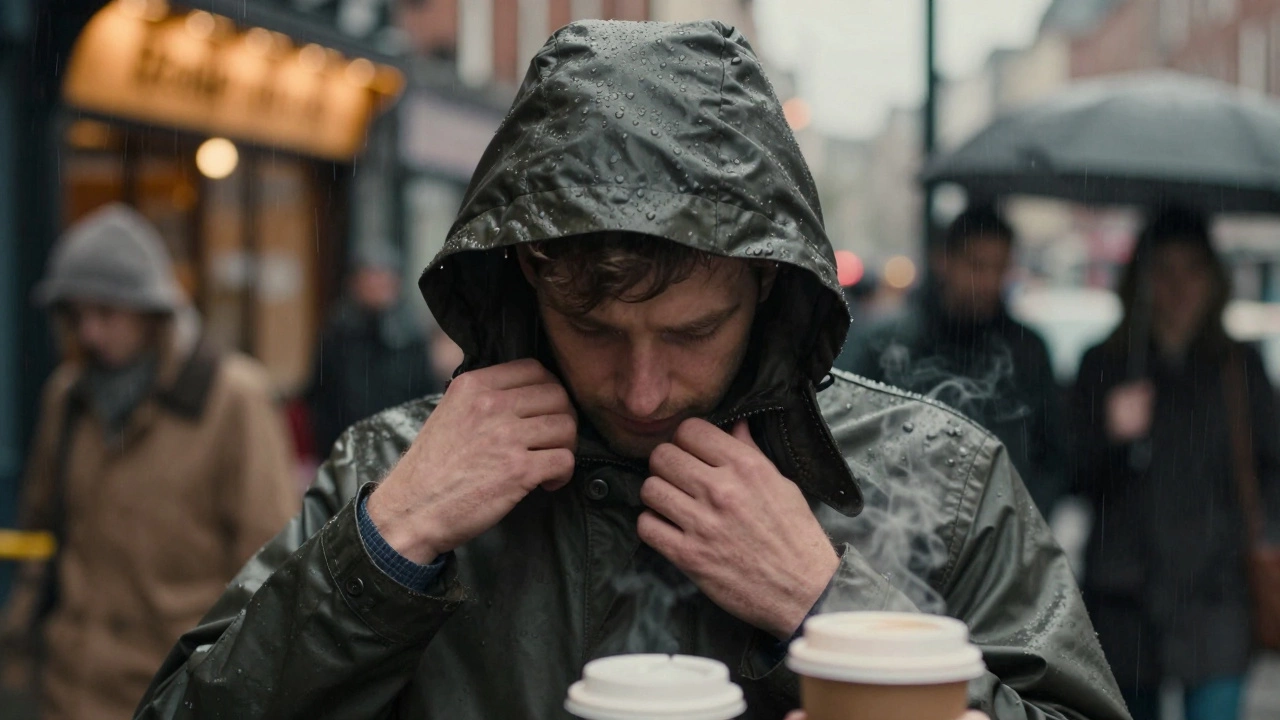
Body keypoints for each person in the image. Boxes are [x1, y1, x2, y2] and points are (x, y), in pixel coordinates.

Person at [135, 21, 1129, 720]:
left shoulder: (939, 481)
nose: (642, 390)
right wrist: (390, 544)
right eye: (595, 330)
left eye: (692, 332)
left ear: (765, 289)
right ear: (526, 276)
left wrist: (831, 614)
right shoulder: (398, 467)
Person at [0, 204, 300, 720]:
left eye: (108, 313)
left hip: (173, 696)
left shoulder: (233, 398)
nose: (90, 333)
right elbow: (41, 537)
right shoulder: (68, 398)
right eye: (77, 315)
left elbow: (272, 569)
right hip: (64, 691)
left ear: (152, 313)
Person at [1072, 206, 1280, 720]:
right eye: (1162, 270)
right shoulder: (1106, 363)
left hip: (1216, 596)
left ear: (1213, 280)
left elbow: (1273, 468)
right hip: (1126, 598)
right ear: (1139, 281)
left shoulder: (1239, 367)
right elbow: (1075, 476)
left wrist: (1257, 536)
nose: (1178, 286)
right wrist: (1114, 438)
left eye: (1192, 270)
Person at [841, 205, 1068, 518]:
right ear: (944, 261)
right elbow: (848, 438)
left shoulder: (1027, 351)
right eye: (977, 265)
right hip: (900, 536)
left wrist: (1022, 521)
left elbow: (1053, 455)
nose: (989, 281)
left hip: (998, 537)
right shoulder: (890, 343)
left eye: (999, 268)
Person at [306, 244, 441, 457]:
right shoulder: (338, 332)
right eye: (371, 279)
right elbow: (321, 395)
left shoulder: (411, 333)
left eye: (384, 280)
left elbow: (424, 391)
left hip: (400, 448)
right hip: (347, 446)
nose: (377, 287)